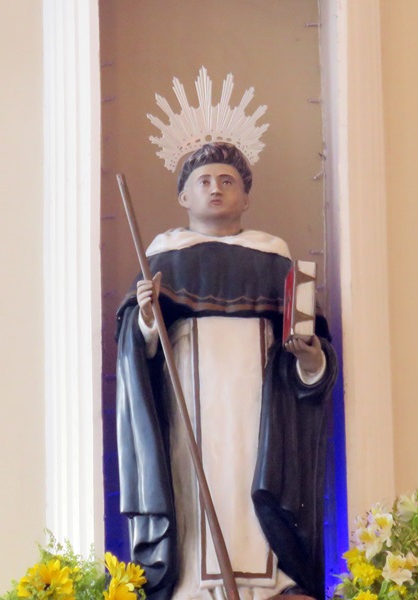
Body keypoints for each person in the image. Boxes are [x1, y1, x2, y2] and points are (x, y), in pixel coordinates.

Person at [115, 142, 338, 600]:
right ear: (184, 197)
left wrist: (309, 357)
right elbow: (136, 354)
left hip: (260, 405)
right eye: (204, 181)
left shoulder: (274, 259)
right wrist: (147, 320)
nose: (215, 189)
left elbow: (311, 356)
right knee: (195, 483)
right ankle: (192, 583)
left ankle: (269, 581)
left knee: (248, 475)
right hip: (190, 403)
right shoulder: (162, 258)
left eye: (227, 181)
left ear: (246, 198)